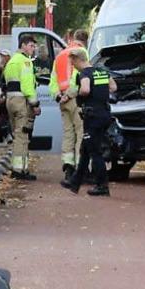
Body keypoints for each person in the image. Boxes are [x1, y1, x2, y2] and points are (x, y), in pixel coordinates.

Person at [60, 47, 116, 196]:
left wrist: (78, 95)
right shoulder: (102, 71)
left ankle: (102, 185)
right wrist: (101, 93)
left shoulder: (84, 74)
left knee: (94, 152)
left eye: (73, 63)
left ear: (78, 60)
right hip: (104, 113)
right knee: (85, 150)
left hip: (92, 116)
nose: (74, 66)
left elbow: (85, 90)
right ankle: (75, 181)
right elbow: (113, 87)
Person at [51, 29, 88, 183]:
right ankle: (81, 169)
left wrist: (58, 96)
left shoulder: (60, 55)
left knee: (68, 133)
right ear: (85, 41)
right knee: (81, 133)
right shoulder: (81, 53)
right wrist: (70, 94)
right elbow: (79, 78)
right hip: (75, 99)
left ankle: (68, 166)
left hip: (63, 101)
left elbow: (53, 81)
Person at [4, 36, 40, 180]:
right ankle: (19, 169)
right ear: (23, 45)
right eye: (31, 46)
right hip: (21, 101)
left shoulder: (12, 61)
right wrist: (35, 104)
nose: (33, 49)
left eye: (34, 46)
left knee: (17, 133)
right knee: (22, 135)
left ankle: (18, 167)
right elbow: (27, 86)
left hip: (10, 100)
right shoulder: (25, 62)